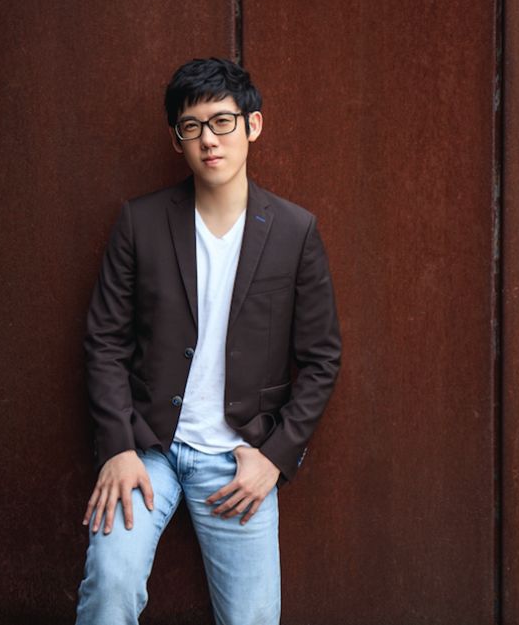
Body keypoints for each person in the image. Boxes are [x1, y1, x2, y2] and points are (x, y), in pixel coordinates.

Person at [75, 57, 341, 625]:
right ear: (177, 139)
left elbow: (321, 359)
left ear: (253, 125)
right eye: (191, 126)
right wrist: (118, 446)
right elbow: (104, 341)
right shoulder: (141, 222)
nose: (209, 140)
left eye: (222, 121)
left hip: (239, 460)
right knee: (110, 587)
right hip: (147, 448)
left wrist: (275, 458)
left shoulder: (295, 231)